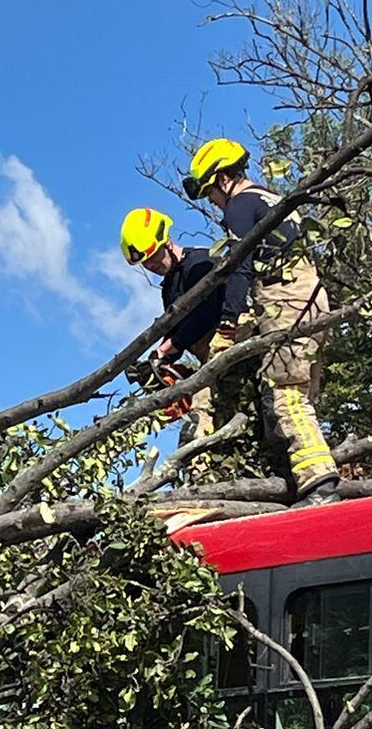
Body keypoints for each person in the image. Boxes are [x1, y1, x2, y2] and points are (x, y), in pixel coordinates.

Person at [183, 138, 340, 505]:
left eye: (210, 192)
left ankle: (319, 485)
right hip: (313, 294)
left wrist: (227, 322)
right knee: (302, 394)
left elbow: (240, 266)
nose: (212, 202)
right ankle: (306, 477)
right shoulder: (273, 199)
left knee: (286, 397)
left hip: (284, 300)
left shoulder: (240, 205)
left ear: (223, 180)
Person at [119, 206, 231, 439]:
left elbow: (207, 314)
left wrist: (166, 349)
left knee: (200, 421)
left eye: (154, 256)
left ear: (167, 242)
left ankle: (200, 468)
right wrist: (158, 362)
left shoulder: (200, 263)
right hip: (209, 361)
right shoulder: (169, 288)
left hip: (230, 346)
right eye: (146, 263)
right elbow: (176, 330)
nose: (152, 266)